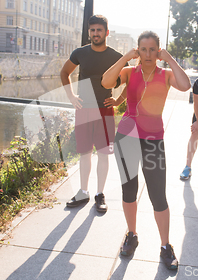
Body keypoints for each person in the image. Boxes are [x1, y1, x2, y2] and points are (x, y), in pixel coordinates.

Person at [101, 31, 191, 270]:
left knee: (158, 195)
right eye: (143, 49)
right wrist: (124, 59)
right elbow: (106, 82)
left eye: (153, 49)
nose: (148, 54)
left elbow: (186, 85)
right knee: (129, 190)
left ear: (159, 51)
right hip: (127, 138)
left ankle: (165, 246)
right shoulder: (130, 73)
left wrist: (169, 58)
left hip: (153, 141)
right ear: (137, 51)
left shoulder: (167, 75)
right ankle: (131, 235)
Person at [60, 15, 124, 213]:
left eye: (99, 30)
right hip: (84, 109)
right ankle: (83, 192)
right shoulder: (80, 53)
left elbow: (129, 79)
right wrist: (71, 97)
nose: (95, 33)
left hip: (105, 110)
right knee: (84, 152)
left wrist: (118, 101)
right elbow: (64, 73)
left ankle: (100, 194)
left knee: (104, 153)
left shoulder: (116, 57)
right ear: (89, 32)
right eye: (92, 30)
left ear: (106, 32)